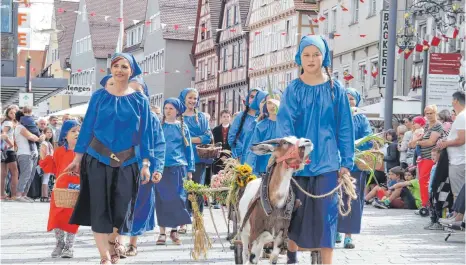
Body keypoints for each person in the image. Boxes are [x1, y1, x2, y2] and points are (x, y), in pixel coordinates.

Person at [68, 53, 157, 265]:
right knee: (99, 207)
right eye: (115, 66)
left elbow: (146, 134)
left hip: (127, 162)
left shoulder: (140, 100)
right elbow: (87, 127)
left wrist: (146, 164)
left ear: (131, 71)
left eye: (124, 66)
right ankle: (104, 257)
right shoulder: (99, 97)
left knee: (122, 208)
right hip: (97, 159)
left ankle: (114, 240)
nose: (119, 70)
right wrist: (77, 158)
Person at [277, 35, 354, 264]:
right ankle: (292, 258)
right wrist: (291, 155)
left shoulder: (335, 89)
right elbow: (284, 125)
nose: (311, 59)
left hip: (328, 163)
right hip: (298, 165)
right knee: (294, 214)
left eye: (316, 54)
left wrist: (346, 162)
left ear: (325, 56)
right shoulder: (293, 89)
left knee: (326, 217)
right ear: (299, 58)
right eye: (306, 55)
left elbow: (345, 128)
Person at [336, 88, 372, 249]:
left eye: (352, 98)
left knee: (352, 199)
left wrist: (355, 148)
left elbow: (368, 139)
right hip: (336, 164)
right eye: (346, 98)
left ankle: (348, 235)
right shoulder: (335, 117)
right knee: (334, 198)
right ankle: (335, 230)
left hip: (356, 165)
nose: (349, 101)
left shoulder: (361, 119)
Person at [39, 120, 81, 258]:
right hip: (60, 190)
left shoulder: (83, 153)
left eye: (79, 131)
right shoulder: (59, 152)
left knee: (72, 218)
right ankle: (59, 243)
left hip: (76, 190)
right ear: (65, 135)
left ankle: (69, 246)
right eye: (73, 131)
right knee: (56, 217)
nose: (77, 133)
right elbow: (52, 167)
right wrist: (43, 155)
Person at [155, 98, 193, 246]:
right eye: (166, 108)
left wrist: (190, 169)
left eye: (171, 108)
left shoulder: (182, 128)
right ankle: (162, 232)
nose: (168, 111)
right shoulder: (159, 126)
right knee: (162, 199)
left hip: (179, 166)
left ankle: (174, 230)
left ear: (177, 111)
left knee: (178, 199)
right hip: (161, 167)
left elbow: (188, 149)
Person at [178, 88, 212, 221]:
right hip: (180, 158)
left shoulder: (202, 117)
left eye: (195, 98)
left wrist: (188, 139)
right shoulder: (178, 117)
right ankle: (182, 219)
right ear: (184, 99)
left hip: (198, 158)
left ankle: (198, 218)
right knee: (182, 189)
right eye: (190, 98)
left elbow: (207, 136)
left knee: (197, 188)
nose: (193, 101)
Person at [410, 105, 444, 209]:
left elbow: (431, 142)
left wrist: (417, 143)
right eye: (427, 113)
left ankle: (426, 205)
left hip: (430, 157)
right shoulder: (426, 125)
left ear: (435, 113)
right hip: (422, 158)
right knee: (422, 181)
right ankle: (425, 204)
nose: (429, 115)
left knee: (425, 182)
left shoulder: (437, 125)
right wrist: (417, 142)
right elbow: (417, 141)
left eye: (431, 113)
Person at [245, 90, 281, 176]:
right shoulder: (261, 126)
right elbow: (253, 148)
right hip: (263, 169)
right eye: (269, 103)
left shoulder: (287, 125)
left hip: (281, 168)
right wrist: (248, 170)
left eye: (275, 101)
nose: (272, 106)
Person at [228, 88, 268, 163]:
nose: (253, 99)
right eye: (252, 97)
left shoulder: (264, 118)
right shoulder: (240, 117)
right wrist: (240, 154)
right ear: (247, 98)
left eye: (256, 97)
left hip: (259, 160)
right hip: (242, 159)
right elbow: (232, 138)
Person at [438, 91, 465, 201]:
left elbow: (461, 140)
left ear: (455, 101)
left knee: (458, 191)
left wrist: (445, 143)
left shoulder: (462, 117)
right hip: (458, 159)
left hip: (459, 160)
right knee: (458, 191)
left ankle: (458, 216)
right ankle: (457, 215)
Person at [14, 110, 45, 202]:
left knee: (30, 175)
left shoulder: (30, 128)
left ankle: (24, 194)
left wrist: (39, 138)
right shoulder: (20, 127)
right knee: (25, 174)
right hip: (24, 153)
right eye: (27, 117)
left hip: (33, 153)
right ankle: (19, 195)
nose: (30, 118)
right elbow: (32, 137)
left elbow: (39, 138)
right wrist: (39, 138)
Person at [1, 106, 19, 201]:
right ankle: (14, 195)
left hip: (4, 150)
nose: (13, 114)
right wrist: (10, 143)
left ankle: (2, 194)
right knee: (15, 172)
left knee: (3, 173)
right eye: (11, 113)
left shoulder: (5, 122)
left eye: (14, 113)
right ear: (7, 114)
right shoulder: (8, 122)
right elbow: (3, 134)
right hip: (9, 150)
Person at [212, 109, 232, 175]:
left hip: (230, 158)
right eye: (224, 116)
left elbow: (234, 144)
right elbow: (213, 144)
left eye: (227, 116)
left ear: (230, 118)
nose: (226, 118)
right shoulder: (215, 130)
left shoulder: (233, 129)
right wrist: (220, 156)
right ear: (221, 118)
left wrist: (226, 156)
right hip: (218, 158)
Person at [39, 127, 54, 202]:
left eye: (50, 132)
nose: (49, 134)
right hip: (46, 162)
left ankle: (45, 195)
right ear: (44, 133)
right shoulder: (44, 143)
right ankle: (44, 195)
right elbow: (43, 155)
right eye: (47, 132)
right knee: (45, 179)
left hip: (49, 162)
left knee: (47, 179)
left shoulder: (49, 143)